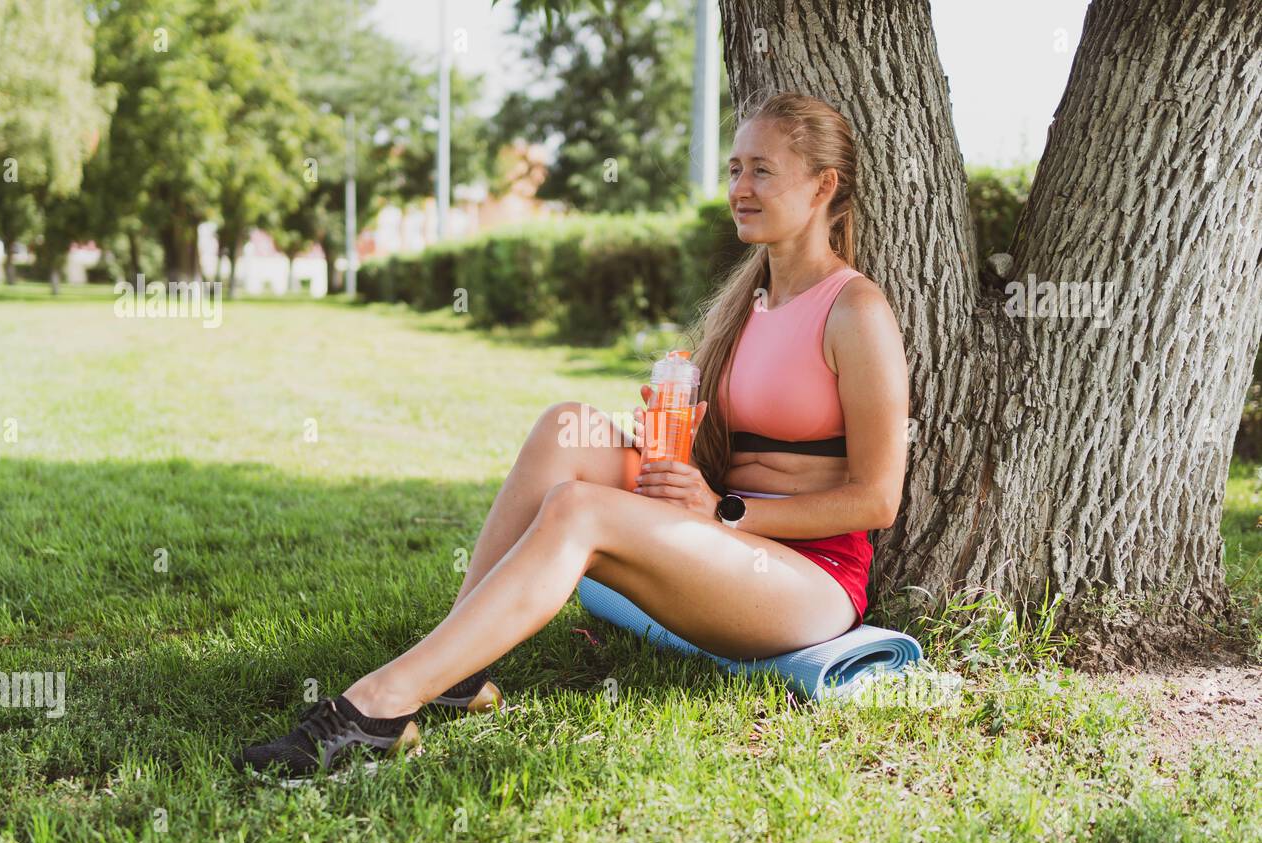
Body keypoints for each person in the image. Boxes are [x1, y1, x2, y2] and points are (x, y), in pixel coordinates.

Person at [234, 91, 910, 778]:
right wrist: (679, 449)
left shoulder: (856, 310)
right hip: (721, 544)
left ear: (824, 185)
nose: (739, 188)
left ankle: (377, 707)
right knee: (568, 424)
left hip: (806, 580)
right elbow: (720, 468)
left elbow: (876, 500)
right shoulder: (750, 301)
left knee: (578, 509)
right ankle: (462, 675)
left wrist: (725, 511)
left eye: (761, 171)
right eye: (734, 169)